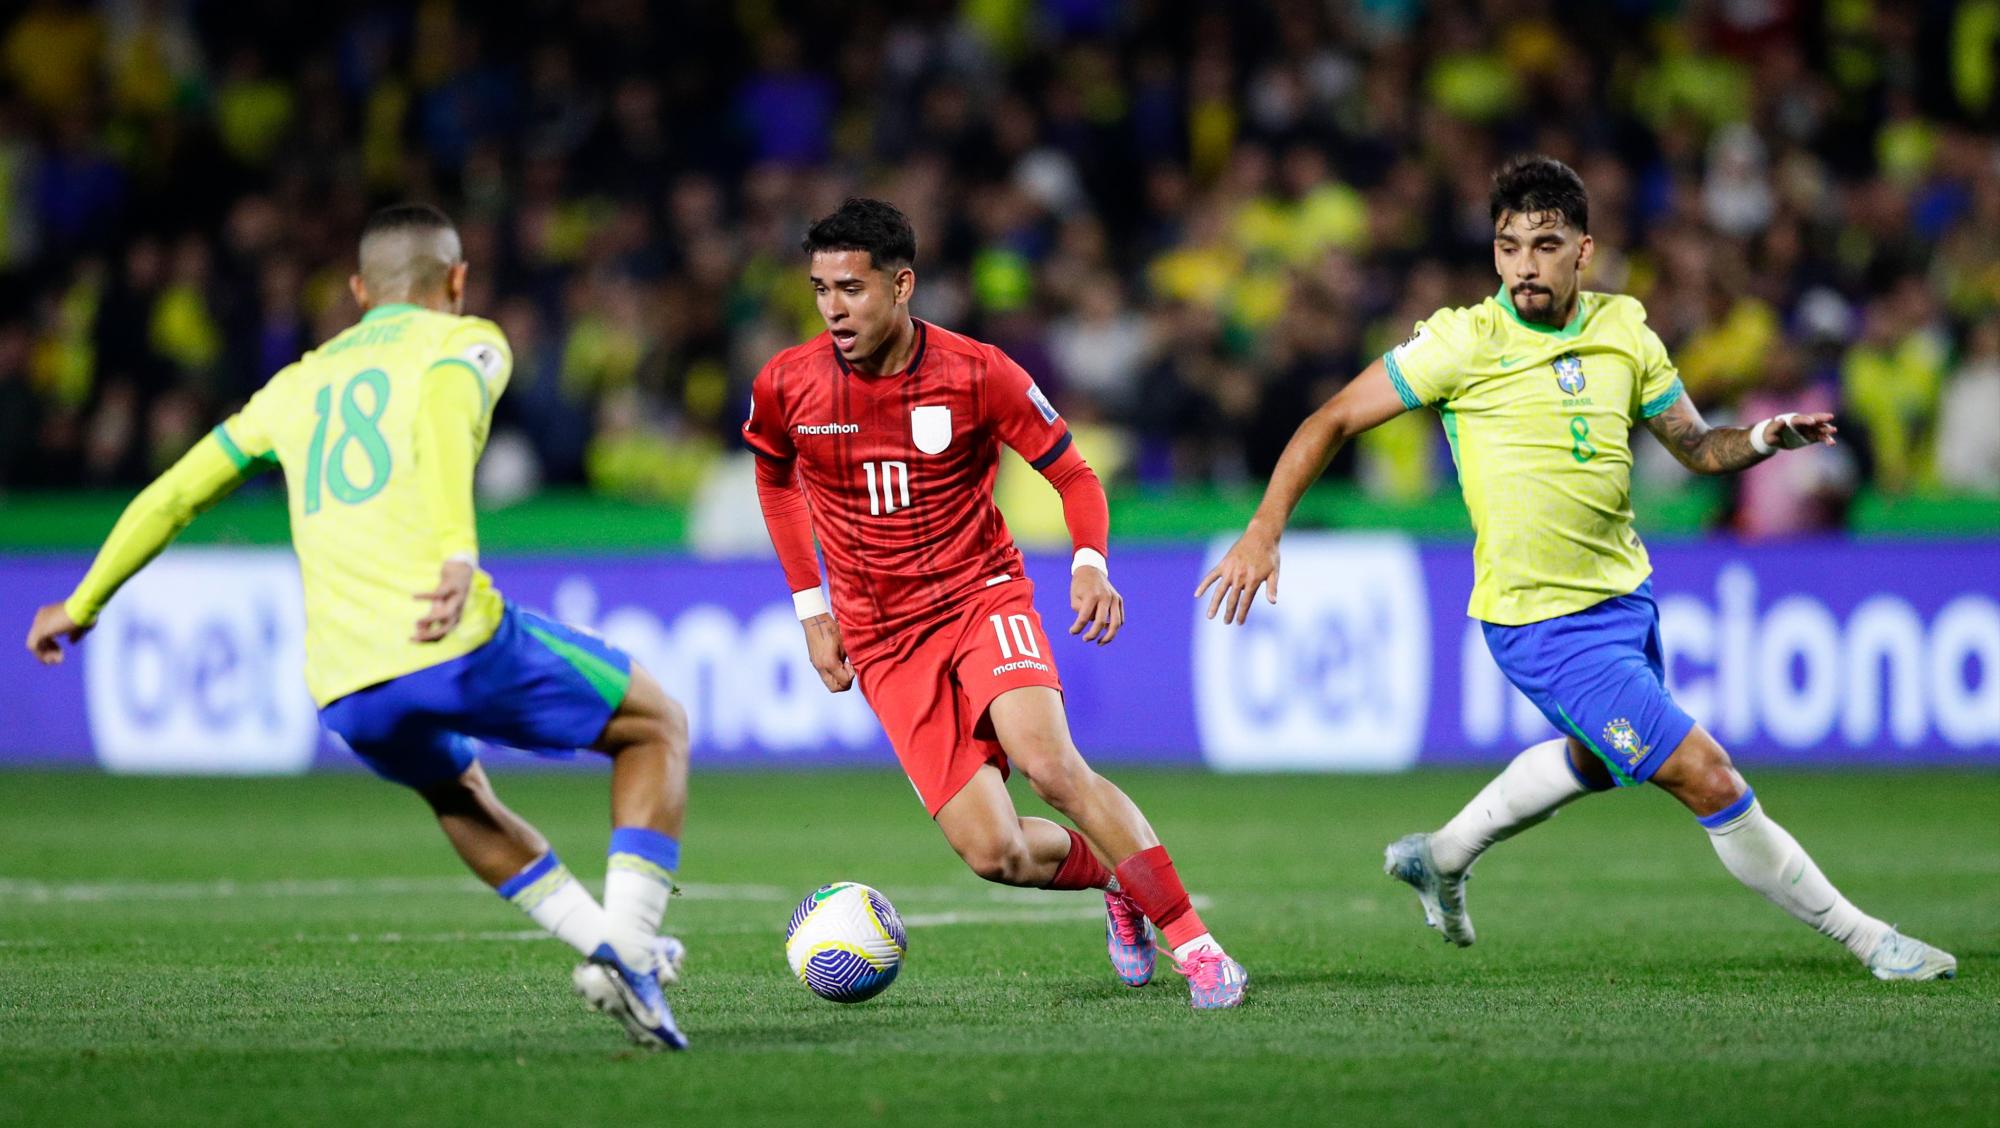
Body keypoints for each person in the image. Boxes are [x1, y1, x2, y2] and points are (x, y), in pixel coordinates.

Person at [1197, 157, 1956, 981]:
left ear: (1582, 252)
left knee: (1595, 759)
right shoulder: (1462, 341)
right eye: (1509, 245)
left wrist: (1766, 438)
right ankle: (1868, 940)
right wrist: (1264, 530)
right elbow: (1333, 417)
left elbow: (1698, 447)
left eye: (1545, 244)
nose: (1525, 263)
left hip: (1626, 601)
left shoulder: (1625, 330)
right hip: (1540, 621)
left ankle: (1441, 856)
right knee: (1705, 773)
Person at [23, 204, 698, 1047]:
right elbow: (447, 420)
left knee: (456, 790)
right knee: (655, 724)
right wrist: (457, 550)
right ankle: (630, 951)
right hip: (445, 637)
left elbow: (175, 493)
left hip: (344, 686)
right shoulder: (465, 342)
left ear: (356, 291)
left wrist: (80, 604)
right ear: (455, 280)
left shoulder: (295, 383)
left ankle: (607, 952)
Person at [745, 198, 1246, 1009]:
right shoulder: (788, 385)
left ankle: (1197, 945)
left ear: (902, 285)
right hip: (881, 639)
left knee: (1050, 766)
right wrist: (812, 608)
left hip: (980, 597)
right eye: (819, 289)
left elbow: (1075, 474)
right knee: (994, 853)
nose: (833, 309)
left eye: (853, 289)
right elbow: (773, 480)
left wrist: (1090, 564)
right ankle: (1119, 884)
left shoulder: (978, 372)